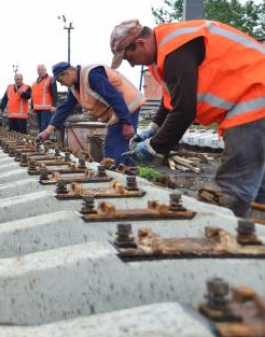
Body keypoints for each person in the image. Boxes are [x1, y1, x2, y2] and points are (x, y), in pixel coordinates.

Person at [110, 19, 265, 218]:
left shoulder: (175, 49)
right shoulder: (166, 50)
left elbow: (184, 111)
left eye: (128, 57)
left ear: (141, 43)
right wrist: (154, 128)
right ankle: (255, 237)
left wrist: (154, 148)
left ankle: (224, 241)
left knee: (234, 188)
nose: (131, 64)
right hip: (254, 97)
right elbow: (172, 100)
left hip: (255, 98)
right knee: (258, 186)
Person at [36, 61, 144, 167]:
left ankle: (117, 178)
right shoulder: (75, 87)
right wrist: (47, 131)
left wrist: (126, 123)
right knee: (124, 147)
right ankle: (130, 174)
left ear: (67, 73)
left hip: (125, 106)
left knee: (113, 148)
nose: (61, 84)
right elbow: (64, 108)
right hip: (119, 109)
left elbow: (114, 96)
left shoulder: (91, 74)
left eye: (60, 80)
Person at [32, 64, 58, 133]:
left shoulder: (50, 79)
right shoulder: (35, 83)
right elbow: (34, 96)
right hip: (37, 108)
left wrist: (54, 105)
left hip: (46, 108)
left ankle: (45, 141)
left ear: (45, 70)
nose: (40, 71)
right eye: (38, 70)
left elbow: (54, 93)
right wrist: (32, 107)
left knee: (45, 126)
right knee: (40, 126)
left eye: (42, 70)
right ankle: (41, 141)